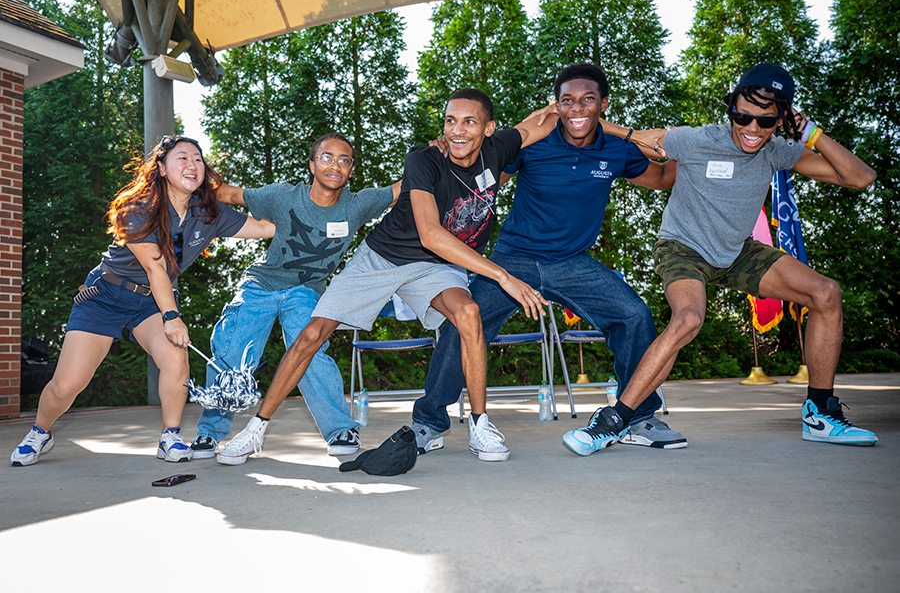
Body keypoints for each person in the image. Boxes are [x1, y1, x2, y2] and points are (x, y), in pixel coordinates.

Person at [216, 88, 552, 465]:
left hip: (435, 267)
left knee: (469, 314)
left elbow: (550, 121)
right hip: (383, 257)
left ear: (488, 129)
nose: (457, 130)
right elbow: (430, 234)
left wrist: (575, 109)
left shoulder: (499, 148)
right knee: (311, 334)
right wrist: (501, 275)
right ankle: (254, 431)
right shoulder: (424, 159)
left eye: (469, 122)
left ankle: (480, 424)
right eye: (450, 121)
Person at [563, 63, 879, 455]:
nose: (751, 128)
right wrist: (585, 117)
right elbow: (636, 137)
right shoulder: (696, 140)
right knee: (689, 318)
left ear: (782, 120)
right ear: (732, 108)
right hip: (683, 248)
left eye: (765, 121)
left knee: (826, 294)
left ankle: (821, 413)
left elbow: (860, 177)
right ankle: (614, 420)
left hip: (736, 251)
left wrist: (812, 133)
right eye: (742, 115)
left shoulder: (779, 152)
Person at [412, 63, 686, 454]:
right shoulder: (534, 145)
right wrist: (448, 151)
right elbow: (479, 176)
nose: (577, 107)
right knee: (464, 319)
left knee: (634, 316)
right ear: (556, 106)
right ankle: (429, 422)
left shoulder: (617, 149)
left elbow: (661, 178)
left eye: (587, 99)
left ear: (603, 104)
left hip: (573, 262)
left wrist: (689, 148)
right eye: (567, 100)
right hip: (515, 259)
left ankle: (637, 415)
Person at [11, 136, 275, 466]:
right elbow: (155, 267)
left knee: (176, 359)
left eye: (198, 159)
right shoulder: (137, 207)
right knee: (67, 385)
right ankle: (40, 431)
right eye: (182, 158)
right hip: (106, 296)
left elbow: (266, 229)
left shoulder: (209, 212)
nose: (192, 164)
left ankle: (170, 436)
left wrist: (294, 205)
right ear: (161, 169)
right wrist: (172, 316)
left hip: (151, 304)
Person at [191, 133, 400, 463]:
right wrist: (182, 184)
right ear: (313, 164)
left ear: (351, 169)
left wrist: (440, 152)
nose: (335, 165)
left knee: (310, 346)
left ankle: (340, 429)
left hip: (306, 290)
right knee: (232, 349)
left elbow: (404, 188)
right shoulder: (282, 196)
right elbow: (229, 194)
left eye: (344, 160)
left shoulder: (357, 205)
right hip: (262, 284)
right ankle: (210, 431)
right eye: (327, 157)